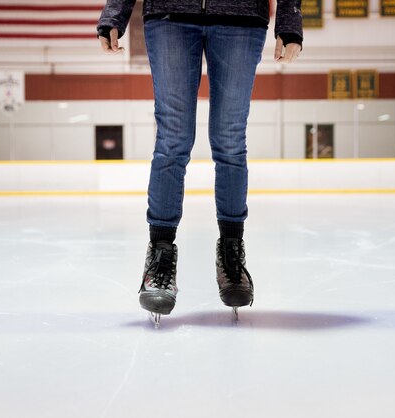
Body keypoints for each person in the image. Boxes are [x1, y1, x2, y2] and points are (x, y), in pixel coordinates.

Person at [97, 0, 302, 325]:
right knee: (173, 140)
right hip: (170, 13)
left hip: (241, 15)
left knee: (230, 139)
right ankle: (160, 254)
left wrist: (289, 20)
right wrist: (115, 12)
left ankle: (231, 251)